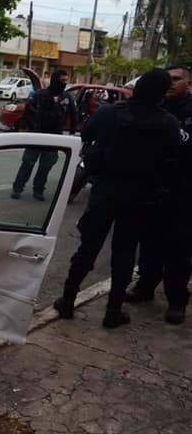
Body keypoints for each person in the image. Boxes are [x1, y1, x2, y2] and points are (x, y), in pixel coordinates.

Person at [53, 69, 180, 328]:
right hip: (140, 197)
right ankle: (113, 311)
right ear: (161, 93)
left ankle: (67, 300)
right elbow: (173, 159)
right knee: (123, 255)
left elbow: (86, 135)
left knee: (87, 248)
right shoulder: (168, 123)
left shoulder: (109, 113)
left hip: (105, 191)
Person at [127, 63, 192, 324]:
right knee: (149, 242)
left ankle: (177, 301)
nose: (171, 84)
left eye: (177, 79)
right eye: (168, 79)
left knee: (178, 249)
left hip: (183, 193)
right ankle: (145, 287)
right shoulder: (154, 109)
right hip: (153, 189)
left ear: (188, 83)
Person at [11, 69, 78, 200]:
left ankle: (38, 190)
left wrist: (72, 132)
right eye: (62, 80)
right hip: (36, 136)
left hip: (54, 139)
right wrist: (23, 128)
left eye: (66, 81)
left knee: (45, 167)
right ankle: (17, 189)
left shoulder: (67, 97)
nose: (64, 83)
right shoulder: (39, 95)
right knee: (27, 164)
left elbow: (74, 115)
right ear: (55, 80)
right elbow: (27, 112)